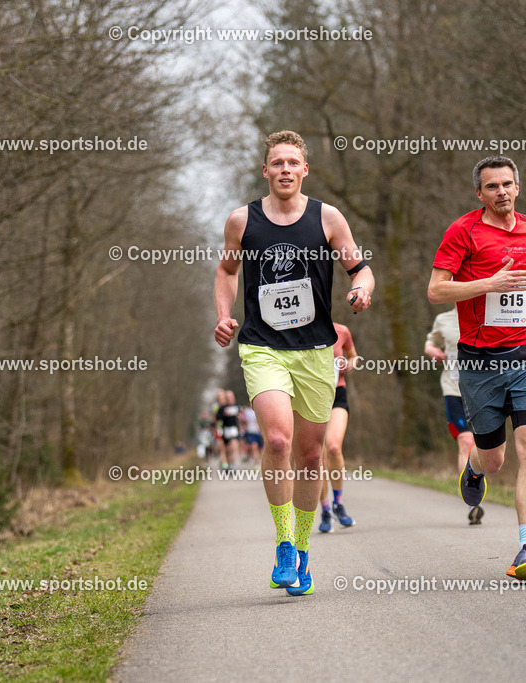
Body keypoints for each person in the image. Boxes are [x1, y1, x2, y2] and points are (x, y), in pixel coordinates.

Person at [214, 130, 374, 596]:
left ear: (305, 170)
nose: (285, 169)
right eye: (276, 162)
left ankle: (303, 553)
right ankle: (283, 542)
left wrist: (362, 288)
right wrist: (224, 317)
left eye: (293, 162)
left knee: (310, 454)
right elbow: (226, 270)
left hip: (315, 350)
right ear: (265, 171)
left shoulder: (328, 218)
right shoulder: (242, 221)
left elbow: (359, 267)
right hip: (262, 346)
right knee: (279, 440)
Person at [427, 155, 526, 581]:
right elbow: (436, 290)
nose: (501, 192)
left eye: (507, 184)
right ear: (479, 193)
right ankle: (474, 468)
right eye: (492, 186)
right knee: (494, 459)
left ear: (517, 187)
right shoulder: (462, 232)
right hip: (480, 363)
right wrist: (489, 284)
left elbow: (523, 274)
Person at [424, 309, 481, 525]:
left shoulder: (484, 311)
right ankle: (472, 502)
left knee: (483, 446)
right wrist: (432, 350)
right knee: (465, 441)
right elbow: (430, 341)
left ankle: (477, 483)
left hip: (481, 389)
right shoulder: (443, 319)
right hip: (453, 389)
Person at [319, 322, 358, 532]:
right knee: (318, 456)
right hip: (312, 397)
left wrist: (350, 363)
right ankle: (325, 509)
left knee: (333, 447)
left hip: (337, 395)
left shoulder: (341, 330)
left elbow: (353, 355)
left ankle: (338, 504)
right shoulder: (300, 329)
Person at [216, 390, 242, 475]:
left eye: (231, 397)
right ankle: (227, 465)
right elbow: (218, 419)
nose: (229, 399)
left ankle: (234, 465)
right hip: (225, 431)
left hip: (234, 430)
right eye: (227, 398)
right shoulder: (222, 408)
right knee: (227, 450)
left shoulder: (238, 407)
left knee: (233, 447)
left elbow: (242, 416)